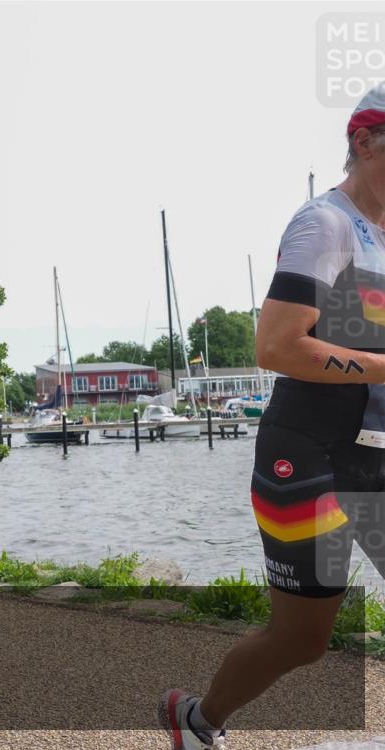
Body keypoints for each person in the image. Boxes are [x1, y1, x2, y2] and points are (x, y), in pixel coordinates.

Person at [160, 85, 385, 749]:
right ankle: (197, 720)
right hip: (307, 454)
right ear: (365, 140)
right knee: (302, 640)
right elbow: (277, 346)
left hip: (376, 452)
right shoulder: (327, 224)